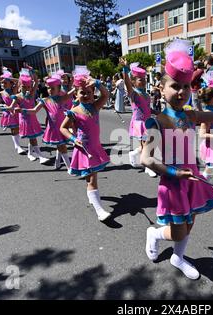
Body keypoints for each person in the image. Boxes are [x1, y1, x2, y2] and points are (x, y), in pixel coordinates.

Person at [141, 39, 213, 280]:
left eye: (185, 86)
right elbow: (146, 159)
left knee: (190, 222)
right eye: (175, 86)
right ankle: (154, 234)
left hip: (192, 179)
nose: (181, 91)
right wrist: (173, 172)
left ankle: (178, 257)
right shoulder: (156, 122)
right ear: (162, 89)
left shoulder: (190, 115)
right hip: (173, 183)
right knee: (178, 231)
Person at [60, 76, 112, 222]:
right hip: (84, 150)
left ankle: (92, 196)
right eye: (82, 92)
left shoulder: (95, 106)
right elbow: (63, 128)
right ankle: (99, 210)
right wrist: (73, 139)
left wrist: (97, 83)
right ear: (76, 93)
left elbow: (106, 94)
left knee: (91, 176)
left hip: (95, 148)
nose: (86, 95)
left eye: (89, 92)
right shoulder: (74, 111)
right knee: (92, 179)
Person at [26, 74, 74, 170]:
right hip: (54, 128)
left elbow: (72, 91)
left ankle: (57, 163)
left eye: (52, 88)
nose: (50, 91)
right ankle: (70, 168)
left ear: (59, 88)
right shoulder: (45, 100)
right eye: (48, 88)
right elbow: (34, 110)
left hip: (63, 127)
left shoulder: (62, 98)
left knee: (60, 145)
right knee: (61, 146)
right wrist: (21, 110)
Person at [120, 58, 156, 177]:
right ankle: (148, 167)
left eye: (145, 79)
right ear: (134, 81)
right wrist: (125, 69)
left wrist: (156, 111)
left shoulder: (146, 94)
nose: (144, 81)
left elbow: (147, 108)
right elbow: (127, 83)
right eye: (141, 80)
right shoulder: (133, 93)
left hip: (148, 121)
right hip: (139, 123)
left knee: (144, 146)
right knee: (148, 145)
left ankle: (134, 154)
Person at [10, 68, 49, 164]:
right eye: (24, 86)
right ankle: (40, 156)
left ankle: (30, 153)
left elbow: (36, 81)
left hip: (33, 118)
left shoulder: (32, 94)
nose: (26, 88)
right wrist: (13, 110)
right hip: (25, 120)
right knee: (33, 137)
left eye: (28, 86)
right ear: (20, 87)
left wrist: (31, 72)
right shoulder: (18, 96)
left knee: (32, 137)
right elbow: (11, 107)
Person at [0, 69, 25, 154]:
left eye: (5, 82)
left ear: (10, 83)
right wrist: (2, 106)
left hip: (16, 112)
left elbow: (19, 81)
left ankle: (17, 143)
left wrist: (9, 77)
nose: (3, 84)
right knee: (13, 129)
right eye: (2, 83)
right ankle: (17, 146)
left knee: (18, 129)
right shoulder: (0, 93)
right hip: (8, 113)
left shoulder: (14, 91)